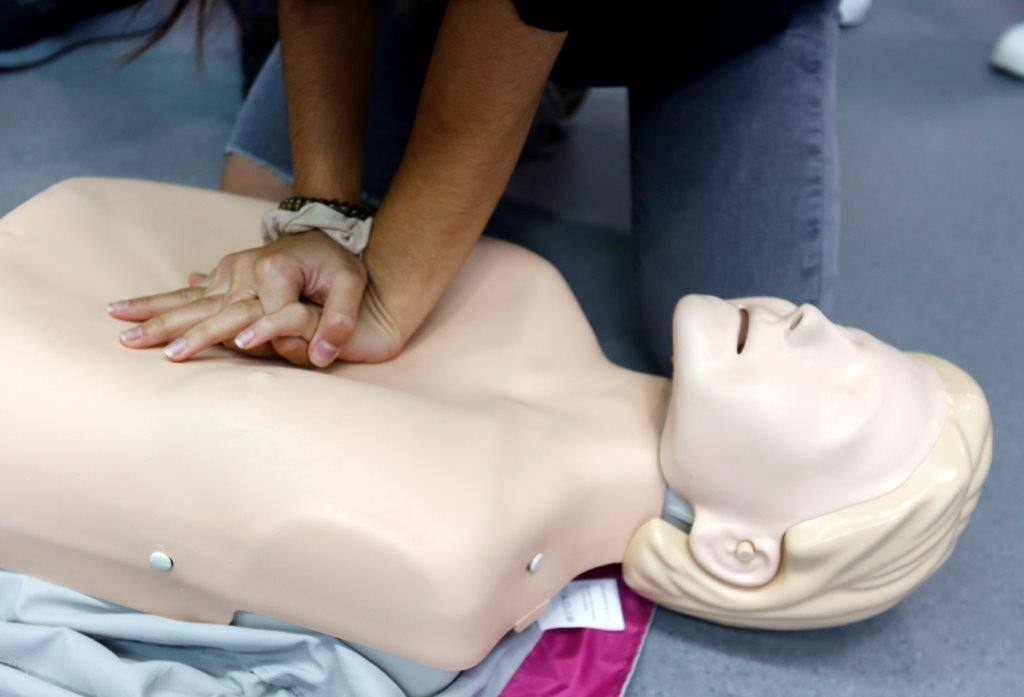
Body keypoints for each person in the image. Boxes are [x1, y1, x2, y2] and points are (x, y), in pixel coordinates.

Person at [108, 0, 840, 374]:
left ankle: (529, 85)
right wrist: (321, 219)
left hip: (706, 23)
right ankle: (526, 85)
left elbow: (464, 125)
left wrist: (384, 302)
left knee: (742, 348)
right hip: (449, 13)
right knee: (253, 193)